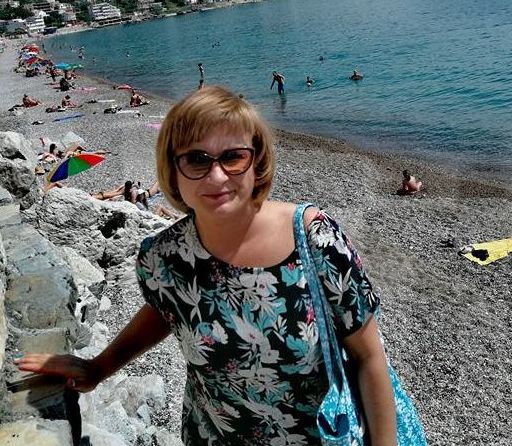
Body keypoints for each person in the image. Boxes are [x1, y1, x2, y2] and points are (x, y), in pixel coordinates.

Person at [15, 86, 398, 445]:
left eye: (233, 157)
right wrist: (99, 367)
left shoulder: (314, 239)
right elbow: (168, 310)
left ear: (257, 162)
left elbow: (368, 357)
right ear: (173, 170)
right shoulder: (162, 257)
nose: (217, 176)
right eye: (196, 159)